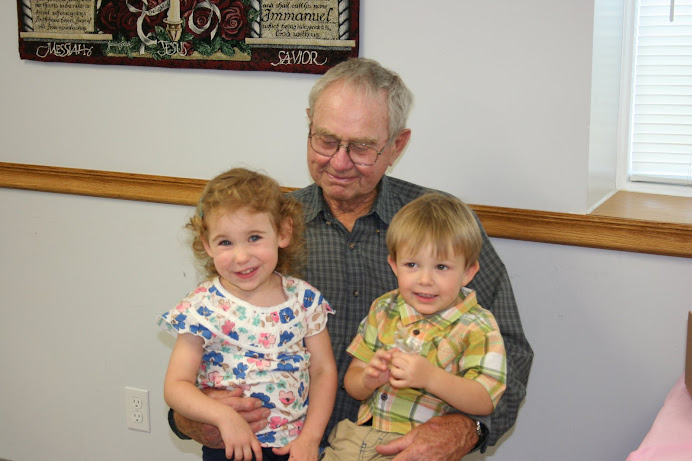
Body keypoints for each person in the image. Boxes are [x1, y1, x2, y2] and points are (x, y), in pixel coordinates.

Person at [170, 58, 534, 460]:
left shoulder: (438, 229)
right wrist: (190, 419)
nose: (339, 162)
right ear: (308, 125)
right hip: (270, 447)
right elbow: (204, 346)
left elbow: (510, 350)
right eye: (326, 140)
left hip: (392, 449)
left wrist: (469, 429)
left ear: (397, 144)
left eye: (360, 147)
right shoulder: (263, 236)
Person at [158, 168, 338, 461]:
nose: (241, 257)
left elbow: (323, 371)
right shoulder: (201, 307)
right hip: (230, 449)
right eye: (225, 242)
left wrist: (310, 439)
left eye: (254, 237)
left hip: (295, 448)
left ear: (283, 232)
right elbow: (176, 386)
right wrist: (223, 417)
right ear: (207, 244)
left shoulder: (305, 300)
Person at [321, 193, 507, 460]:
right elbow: (353, 382)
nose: (425, 280)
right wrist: (368, 379)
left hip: (420, 446)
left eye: (441, 266)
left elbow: (485, 400)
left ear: (468, 271)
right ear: (394, 265)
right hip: (358, 437)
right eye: (411, 265)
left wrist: (431, 378)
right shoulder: (384, 308)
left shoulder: (477, 325)